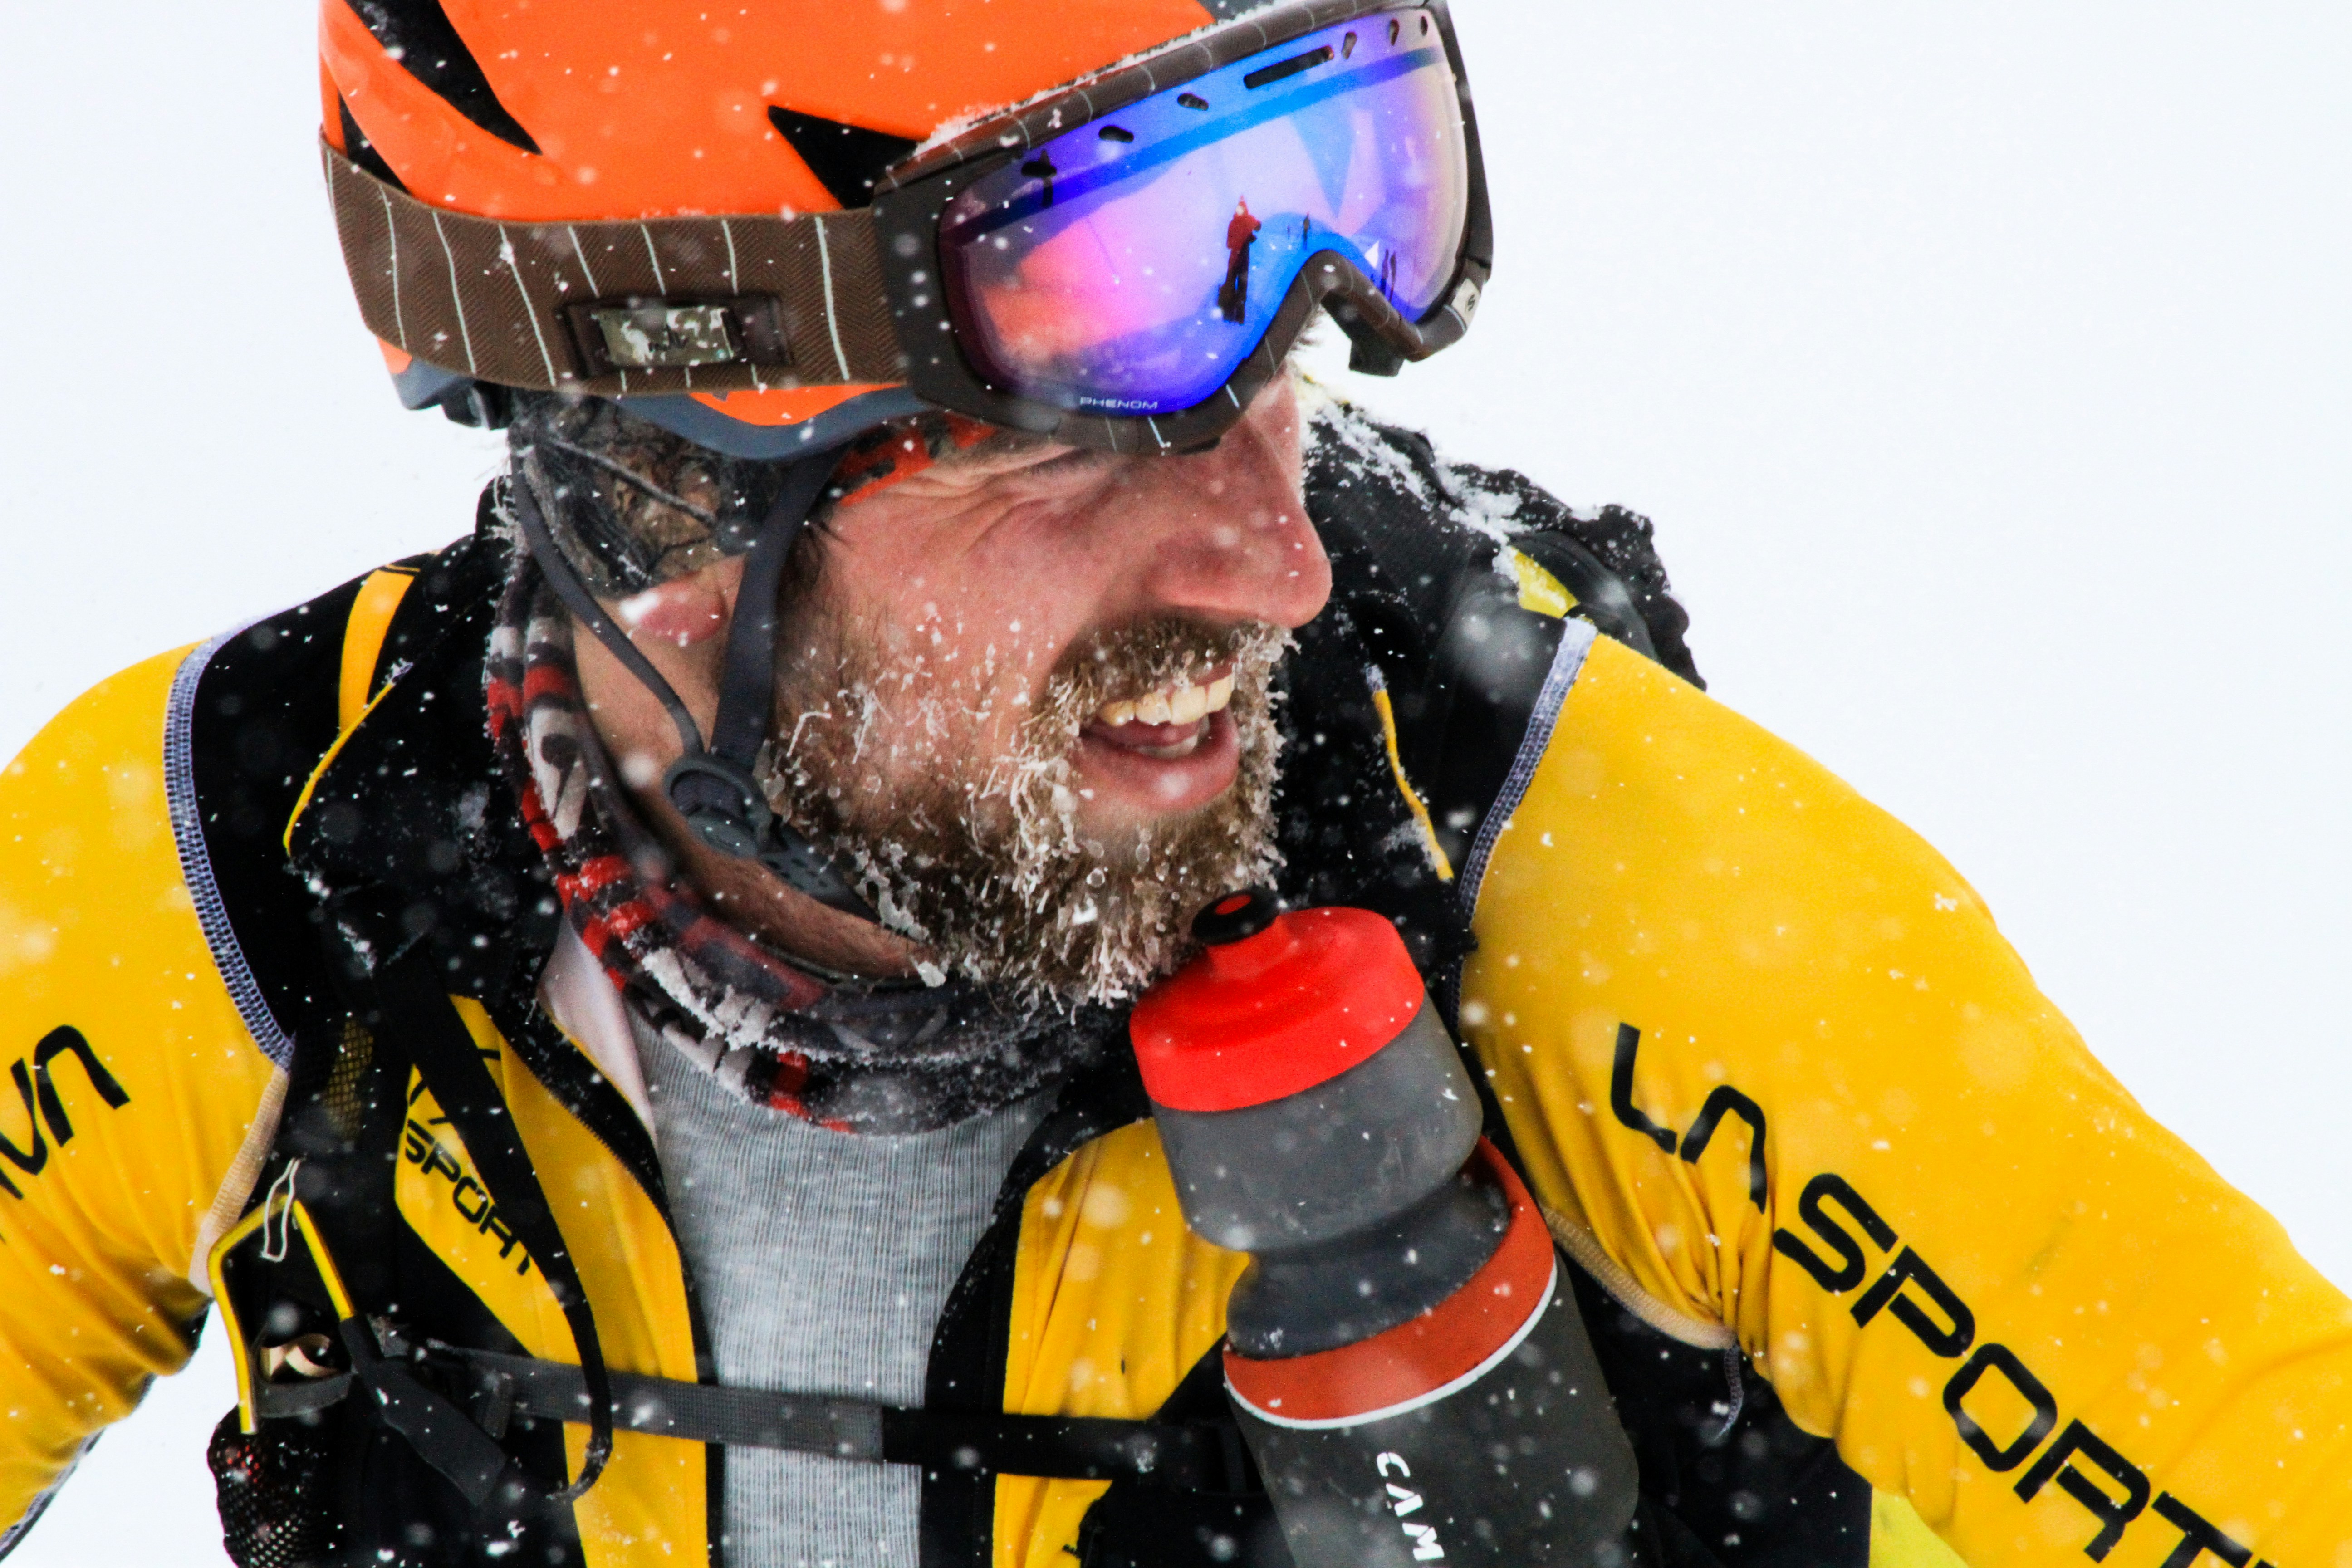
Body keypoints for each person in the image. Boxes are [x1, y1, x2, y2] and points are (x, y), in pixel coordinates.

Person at [0, 3, 2345, 1567]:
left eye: (1283, 372)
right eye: (1084, 433)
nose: (1281, 558)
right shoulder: (234, 869)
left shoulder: (1592, 892)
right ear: (668, 492)